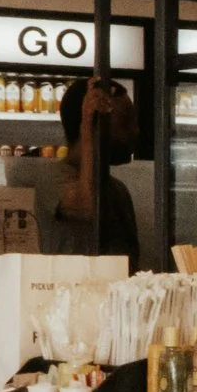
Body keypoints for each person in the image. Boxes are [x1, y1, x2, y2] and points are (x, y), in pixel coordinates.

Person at [52, 75, 145, 267]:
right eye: (126, 123)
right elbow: (87, 209)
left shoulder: (117, 188)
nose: (136, 132)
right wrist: (88, 127)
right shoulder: (50, 177)